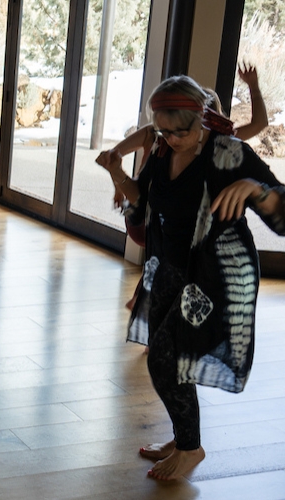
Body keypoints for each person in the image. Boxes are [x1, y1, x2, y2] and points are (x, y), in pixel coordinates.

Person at [101, 75, 285, 481]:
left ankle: (190, 449)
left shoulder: (228, 152)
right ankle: (183, 437)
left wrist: (254, 187)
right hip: (171, 266)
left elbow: (282, 209)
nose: (169, 139)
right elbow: (143, 199)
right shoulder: (163, 148)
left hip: (215, 274)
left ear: (200, 118)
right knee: (168, 357)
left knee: (164, 360)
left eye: (178, 132)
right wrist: (116, 172)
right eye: (162, 131)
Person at [98, 63, 269, 311]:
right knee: (166, 265)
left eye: (184, 130)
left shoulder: (224, 144)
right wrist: (117, 181)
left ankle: (149, 301)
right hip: (148, 218)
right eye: (167, 131)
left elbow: (259, 125)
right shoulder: (155, 137)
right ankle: (149, 301)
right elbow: (114, 156)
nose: (174, 138)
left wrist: (254, 86)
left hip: (187, 242)